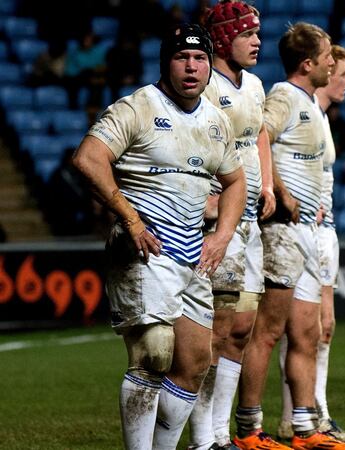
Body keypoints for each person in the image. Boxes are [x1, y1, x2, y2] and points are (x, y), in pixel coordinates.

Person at [71, 23, 247, 449]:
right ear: (166, 63)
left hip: (193, 254)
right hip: (143, 251)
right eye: (182, 58)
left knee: (194, 363)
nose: (192, 67)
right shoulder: (136, 107)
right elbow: (88, 159)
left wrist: (222, 235)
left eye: (200, 58)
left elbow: (236, 181)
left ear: (209, 65)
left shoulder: (216, 120)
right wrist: (130, 219)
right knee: (154, 352)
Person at [232, 22, 345, 450]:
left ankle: (306, 429)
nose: (331, 63)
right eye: (326, 58)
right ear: (307, 64)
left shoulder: (311, 105)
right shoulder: (285, 96)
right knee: (266, 332)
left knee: (307, 333)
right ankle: (249, 429)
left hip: (308, 232)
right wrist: (278, 191)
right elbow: (257, 136)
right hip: (283, 231)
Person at [184, 3, 279, 449]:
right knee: (217, 330)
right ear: (223, 39)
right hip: (216, 222)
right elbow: (190, 138)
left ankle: (223, 434)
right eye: (247, 34)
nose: (257, 41)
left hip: (250, 223)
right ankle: (203, 439)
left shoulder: (256, 84)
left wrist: (269, 185)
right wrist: (205, 197)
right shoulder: (204, 85)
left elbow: (258, 133)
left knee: (242, 329)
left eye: (257, 33)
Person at [276, 43, 345, 444]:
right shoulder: (295, 104)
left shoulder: (319, 115)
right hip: (304, 228)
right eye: (341, 72)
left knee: (318, 329)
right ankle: (305, 416)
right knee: (303, 327)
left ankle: (308, 414)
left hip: (319, 228)